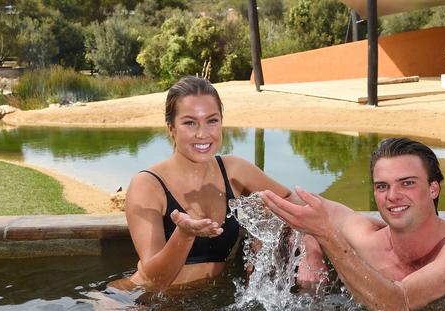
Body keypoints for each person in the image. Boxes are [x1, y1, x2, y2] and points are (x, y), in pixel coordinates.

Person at [108, 76, 325, 292]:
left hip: (204, 300)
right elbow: (154, 281)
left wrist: (310, 243)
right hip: (137, 303)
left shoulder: (234, 171)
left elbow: (291, 203)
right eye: (189, 123)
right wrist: (184, 234)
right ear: (170, 128)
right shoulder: (147, 185)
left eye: (212, 120)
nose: (203, 134)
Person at [261, 137, 445, 311]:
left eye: (407, 183)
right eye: (382, 186)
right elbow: (293, 201)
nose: (393, 196)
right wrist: (311, 244)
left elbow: (396, 304)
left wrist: (324, 234)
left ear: (433, 188)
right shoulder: (367, 237)